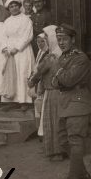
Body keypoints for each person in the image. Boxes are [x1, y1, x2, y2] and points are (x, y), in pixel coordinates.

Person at [52, 24, 91, 179]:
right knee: (63, 141)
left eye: (64, 39)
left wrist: (57, 70)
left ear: (73, 39)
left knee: (75, 140)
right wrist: (60, 74)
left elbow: (69, 80)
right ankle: (82, 173)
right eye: (58, 39)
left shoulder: (80, 58)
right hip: (65, 103)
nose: (61, 42)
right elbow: (55, 82)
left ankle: (71, 178)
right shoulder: (63, 58)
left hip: (78, 102)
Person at [28, 27, 64, 161]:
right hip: (62, 92)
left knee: (52, 122)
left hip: (52, 93)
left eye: (48, 38)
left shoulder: (51, 57)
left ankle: (56, 152)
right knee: (59, 122)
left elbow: (38, 73)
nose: (47, 40)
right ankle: (61, 150)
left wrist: (31, 82)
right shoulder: (63, 53)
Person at [1, 0, 35, 112]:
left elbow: (28, 36)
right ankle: (12, 100)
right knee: (11, 74)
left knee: (22, 73)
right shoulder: (7, 21)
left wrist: (18, 48)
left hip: (22, 51)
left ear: (19, 6)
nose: (14, 8)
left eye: (15, 5)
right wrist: (5, 48)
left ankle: (24, 100)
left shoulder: (26, 19)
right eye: (11, 6)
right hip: (10, 52)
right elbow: (3, 37)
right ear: (8, 9)